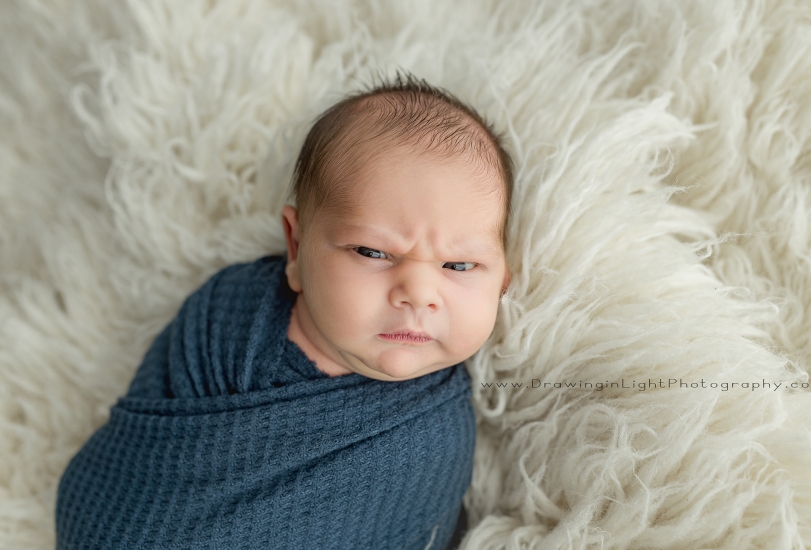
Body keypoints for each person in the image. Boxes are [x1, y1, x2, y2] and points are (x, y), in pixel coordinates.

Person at [55, 73, 513, 550]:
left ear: (502, 281)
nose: (418, 293)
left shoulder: (431, 437)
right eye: (373, 253)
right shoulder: (230, 313)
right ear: (296, 247)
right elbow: (140, 461)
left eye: (460, 264)